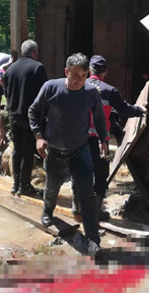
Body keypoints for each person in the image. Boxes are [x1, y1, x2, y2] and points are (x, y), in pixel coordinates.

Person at [28, 53, 107, 256]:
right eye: (74, 75)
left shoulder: (90, 91)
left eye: (83, 75)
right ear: (66, 72)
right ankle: (47, 211)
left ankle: (93, 240)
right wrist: (38, 136)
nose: (78, 80)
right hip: (54, 150)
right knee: (52, 186)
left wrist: (103, 139)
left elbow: (98, 118)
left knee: (87, 194)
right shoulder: (51, 88)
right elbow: (33, 111)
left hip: (80, 150)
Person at [73, 55, 146, 221]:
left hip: (78, 138)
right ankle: (96, 213)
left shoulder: (78, 85)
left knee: (79, 172)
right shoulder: (109, 91)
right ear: (105, 71)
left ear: (89, 70)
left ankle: (77, 209)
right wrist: (140, 110)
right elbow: (124, 109)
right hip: (100, 141)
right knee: (100, 175)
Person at [2, 40, 48, 196]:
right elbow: (44, 94)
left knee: (17, 150)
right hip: (30, 116)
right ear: (34, 52)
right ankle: (25, 186)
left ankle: (15, 185)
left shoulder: (9, 70)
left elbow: (6, 94)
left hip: (13, 115)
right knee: (28, 151)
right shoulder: (37, 67)